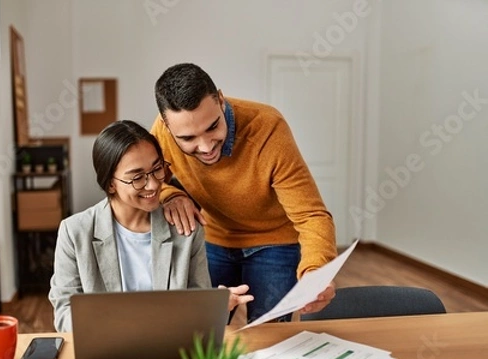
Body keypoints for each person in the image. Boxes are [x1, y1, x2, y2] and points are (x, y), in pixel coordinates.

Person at [150, 63, 338, 323]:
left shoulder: (268, 128)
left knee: (269, 339)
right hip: (215, 238)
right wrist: (170, 195)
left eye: (212, 127)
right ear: (167, 127)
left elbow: (311, 215)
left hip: (275, 242)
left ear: (221, 100)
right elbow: (148, 182)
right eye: (188, 138)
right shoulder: (161, 132)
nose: (205, 147)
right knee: (200, 329)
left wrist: (315, 272)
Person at [49, 120, 253, 332]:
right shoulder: (74, 232)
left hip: (170, 349)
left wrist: (213, 307)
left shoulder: (184, 229)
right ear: (110, 183)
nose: (154, 184)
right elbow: (64, 314)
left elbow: (196, 307)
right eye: (137, 177)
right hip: (108, 351)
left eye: (157, 169)